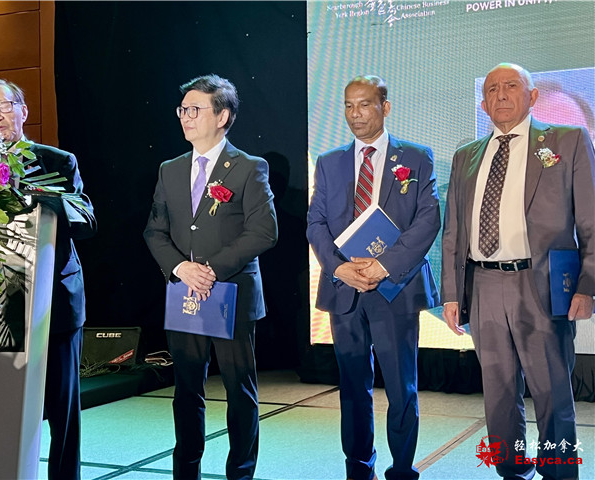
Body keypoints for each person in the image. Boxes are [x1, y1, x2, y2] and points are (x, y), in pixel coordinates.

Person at [441, 63, 595, 480]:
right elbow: (453, 231)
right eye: (492, 89)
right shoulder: (466, 156)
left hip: (541, 283)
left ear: (532, 97)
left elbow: (591, 221)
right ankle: (511, 471)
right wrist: (452, 294)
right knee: (498, 395)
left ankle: (558, 473)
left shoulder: (567, 140)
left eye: (511, 86)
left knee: (552, 393)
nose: (501, 94)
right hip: (483, 284)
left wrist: (587, 285)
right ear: (484, 103)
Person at [144, 74, 277, 480]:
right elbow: (154, 231)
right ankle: (186, 472)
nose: (185, 116)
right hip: (184, 293)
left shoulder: (249, 167)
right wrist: (181, 268)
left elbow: (264, 231)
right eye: (183, 109)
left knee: (240, 390)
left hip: (231, 295)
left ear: (222, 117)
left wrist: (211, 270)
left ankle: (241, 472)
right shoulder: (170, 169)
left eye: (195, 109)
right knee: (186, 390)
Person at [307, 75, 440, 480]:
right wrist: (339, 267)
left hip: (393, 288)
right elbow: (316, 223)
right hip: (344, 289)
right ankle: (358, 468)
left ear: (385, 107)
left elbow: (428, 220)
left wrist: (384, 266)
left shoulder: (416, 157)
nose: (355, 114)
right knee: (352, 386)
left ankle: (402, 469)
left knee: (401, 387)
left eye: (364, 104)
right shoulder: (329, 161)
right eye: (349, 106)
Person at [0, 78, 97, 480]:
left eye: (5, 106)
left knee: (62, 411)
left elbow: (86, 220)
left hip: (53, 302)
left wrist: (41, 199)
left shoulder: (57, 161)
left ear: (23, 111)